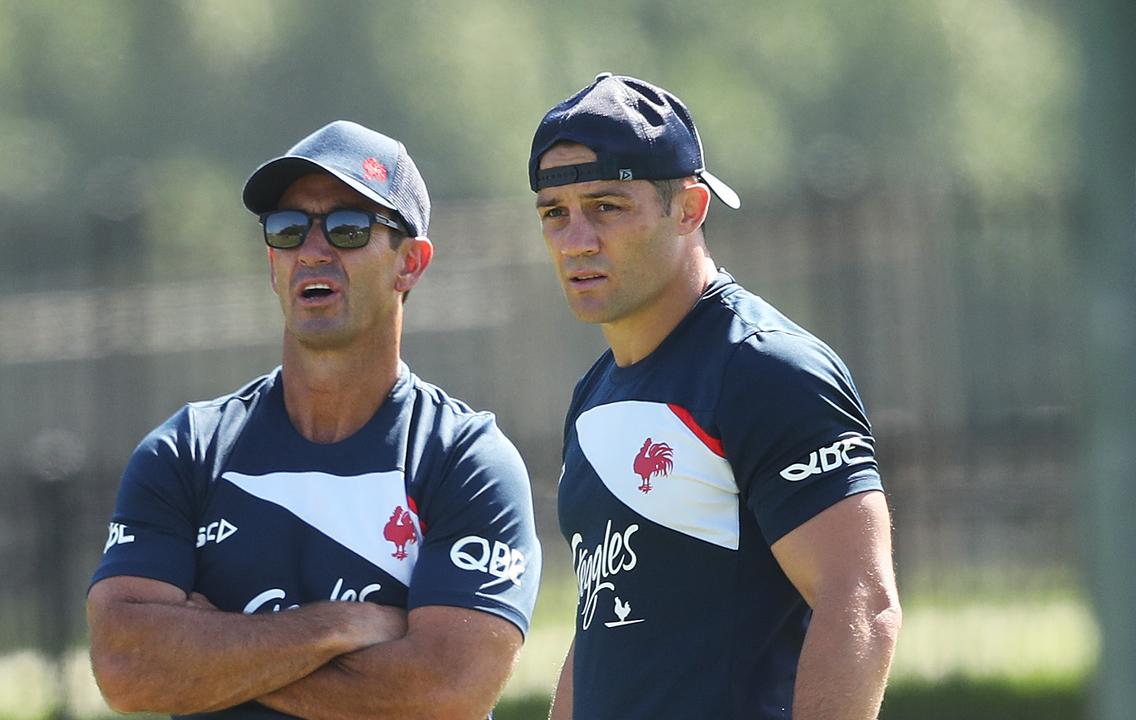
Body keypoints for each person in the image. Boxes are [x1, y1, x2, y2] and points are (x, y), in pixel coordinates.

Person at [87, 120, 542, 720]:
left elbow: (443, 692)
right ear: (271, 262)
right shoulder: (187, 451)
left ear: (410, 263)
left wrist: (208, 653)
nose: (313, 250)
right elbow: (126, 670)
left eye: (349, 229)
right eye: (289, 229)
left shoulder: (465, 461)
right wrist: (338, 626)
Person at [529, 73, 902, 719]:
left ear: (689, 209)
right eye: (554, 213)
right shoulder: (596, 394)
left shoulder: (766, 369)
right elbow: (601, 632)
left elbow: (860, 602)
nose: (576, 240)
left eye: (606, 207)